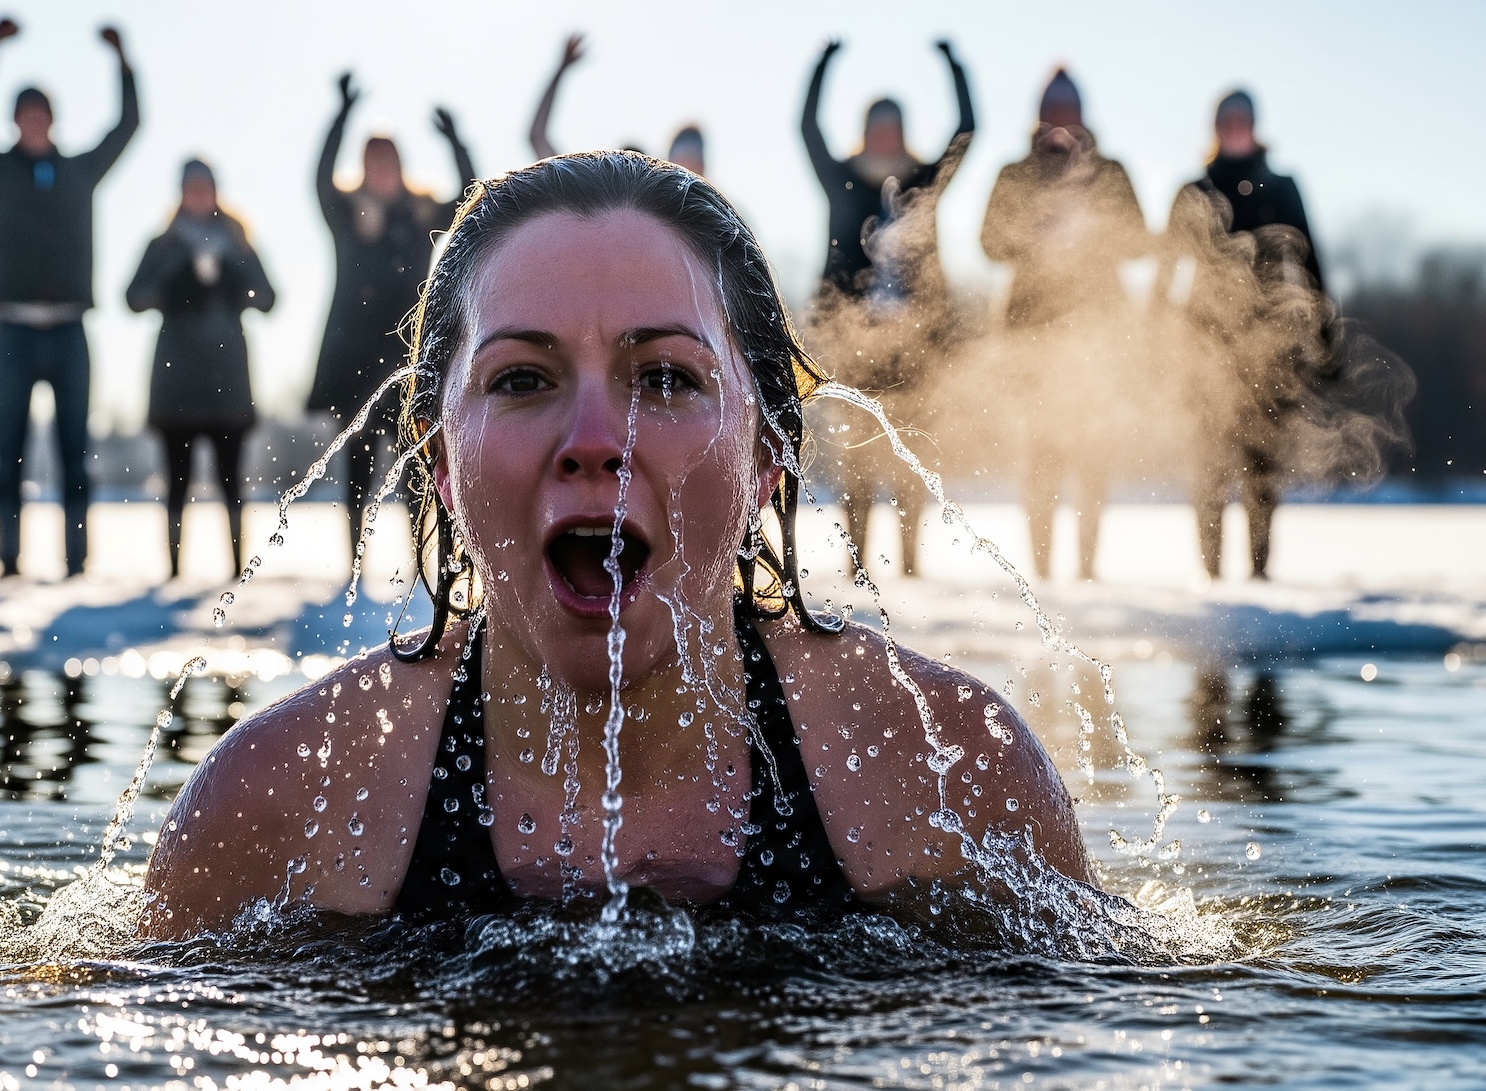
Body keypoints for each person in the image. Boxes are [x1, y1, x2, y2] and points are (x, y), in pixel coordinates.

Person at [138, 152, 1089, 939]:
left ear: (767, 452)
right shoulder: (274, 805)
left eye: (667, 377)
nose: (596, 436)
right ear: (438, 462)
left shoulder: (950, 776)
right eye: (520, 379)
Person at [0, 17, 138, 579]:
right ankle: (8, 563)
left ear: (53, 120)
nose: (34, 122)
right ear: (15, 121)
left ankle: (76, 565)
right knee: (6, 454)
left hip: (68, 331)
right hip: (12, 329)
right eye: (25, 114)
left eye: (42, 113)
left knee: (74, 456)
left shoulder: (79, 172)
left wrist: (122, 60)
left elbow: (128, 125)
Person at [800, 38, 975, 577]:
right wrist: (823, 62)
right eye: (877, 124)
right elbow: (807, 129)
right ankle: (855, 562)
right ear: (865, 131)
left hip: (915, 342)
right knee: (856, 455)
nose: (885, 135)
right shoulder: (843, 182)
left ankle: (911, 563)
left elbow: (967, 131)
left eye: (893, 125)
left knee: (910, 454)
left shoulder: (923, 183)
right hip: (856, 341)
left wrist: (952, 62)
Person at [980, 69, 1148, 582]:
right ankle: (1043, 576)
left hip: (1097, 337)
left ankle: (1088, 573)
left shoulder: (1109, 172)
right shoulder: (1015, 173)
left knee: (1092, 454)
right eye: (1052, 107)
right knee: (1040, 455)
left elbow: (1140, 241)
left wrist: (1092, 233)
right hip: (1030, 337)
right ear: (1039, 113)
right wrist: (1036, 231)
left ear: (1082, 112)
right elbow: (988, 243)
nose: (1060, 118)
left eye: (1068, 107)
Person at [308, 73, 474, 566]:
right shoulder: (347, 215)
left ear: (401, 165)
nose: (382, 167)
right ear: (363, 166)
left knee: (414, 470)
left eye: (390, 159)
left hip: (409, 356)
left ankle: (416, 563)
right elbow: (318, 179)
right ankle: (354, 562)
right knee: (357, 462)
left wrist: (455, 140)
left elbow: (471, 196)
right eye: (373, 159)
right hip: (354, 357)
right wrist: (339, 116)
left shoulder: (420, 215)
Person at [1158, 90, 1323, 580]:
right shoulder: (1194, 191)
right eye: (1226, 118)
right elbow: (1167, 273)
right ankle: (1212, 578)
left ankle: (1258, 574)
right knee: (1209, 466)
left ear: (1255, 125)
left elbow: (1311, 265)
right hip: (1205, 346)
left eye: (1242, 119)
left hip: (1270, 345)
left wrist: (1325, 338)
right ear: (1214, 126)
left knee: (1262, 467)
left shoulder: (1283, 188)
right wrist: (1154, 338)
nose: (1234, 126)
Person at [126, 159, 275, 579]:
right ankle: (173, 570)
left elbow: (266, 298)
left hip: (226, 382)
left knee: (232, 481)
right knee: (176, 481)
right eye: (190, 187)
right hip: (177, 383)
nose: (197, 194)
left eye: (203, 187)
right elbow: (133, 298)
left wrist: (232, 278)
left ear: (215, 191)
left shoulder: (238, 242)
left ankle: (236, 567)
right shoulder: (162, 245)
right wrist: (173, 280)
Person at [528, 33, 709, 175]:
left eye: (637, 169)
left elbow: (537, 137)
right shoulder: (590, 192)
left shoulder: (671, 202)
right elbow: (538, 137)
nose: (629, 175)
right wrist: (560, 70)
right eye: (623, 168)